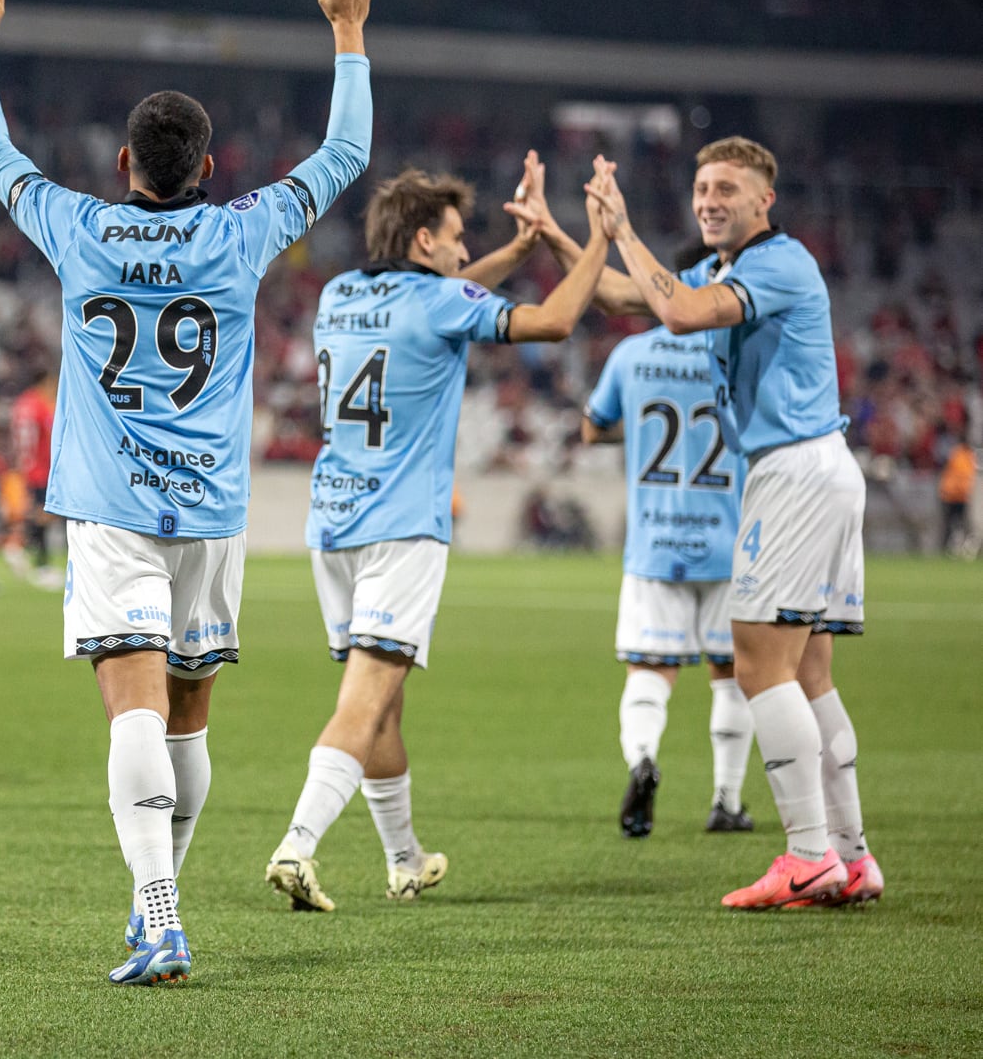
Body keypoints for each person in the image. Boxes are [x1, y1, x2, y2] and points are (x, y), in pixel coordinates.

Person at [0, 0, 372, 983]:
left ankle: (160, 912)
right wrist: (348, 32)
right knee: (185, 715)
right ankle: (157, 908)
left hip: (112, 510)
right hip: (213, 514)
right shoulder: (243, 229)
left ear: (124, 161)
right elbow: (347, 152)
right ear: (212, 165)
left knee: (133, 709)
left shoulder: (78, 226)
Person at [264, 165, 610, 912]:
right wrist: (600, 240)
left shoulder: (340, 294)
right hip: (402, 527)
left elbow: (444, 298)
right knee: (364, 701)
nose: (463, 250)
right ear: (425, 240)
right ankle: (298, 844)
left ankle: (405, 859)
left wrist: (514, 254)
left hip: (333, 522)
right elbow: (549, 322)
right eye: (456, 238)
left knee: (383, 702)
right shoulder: (441, 300)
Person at [583, 139, 880, 909]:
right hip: (818, 468)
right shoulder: (725, 270)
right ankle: (851, 855)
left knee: (757, 665)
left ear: (763, 200)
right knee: (808, 672)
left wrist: (621, 228)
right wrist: (562, 235)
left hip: (792, 472)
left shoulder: (778, 262)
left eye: (727, 188)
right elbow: (630, 297)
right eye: (701, 187)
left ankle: (807, 856)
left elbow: (675, 315)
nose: (709, 199)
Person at [581, 325, 755, 838]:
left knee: (649, 673)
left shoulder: (632, 353)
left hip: (656, 543)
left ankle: (642, 761)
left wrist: (638, 427)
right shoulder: (739, 352)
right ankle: (727, 800)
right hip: (728, 541)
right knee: (731, 674)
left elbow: (592, 429)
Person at [4, 364, 60, 589]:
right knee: (44, 514)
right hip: (41, 467)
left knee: (39, 512)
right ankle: (26, 553)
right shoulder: (42, 405)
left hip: (23, 465)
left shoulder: (22, 403)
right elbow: (49, 438)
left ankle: (25, 551)